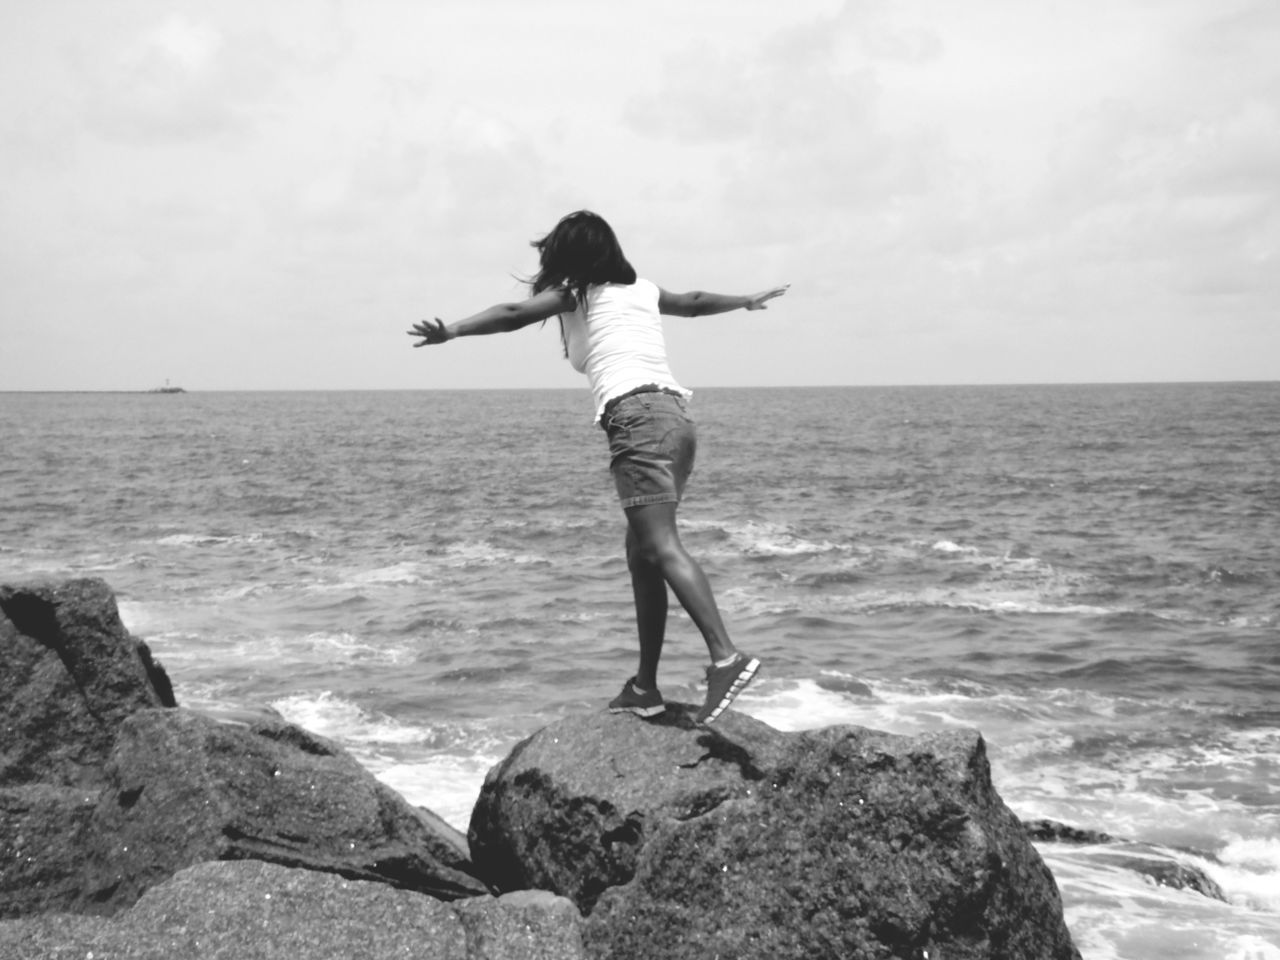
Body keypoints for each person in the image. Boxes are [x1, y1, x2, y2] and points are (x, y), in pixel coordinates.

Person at [409, 210, 787, 724]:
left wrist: (452, 331)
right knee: (641, 553)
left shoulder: (576, 292)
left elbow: (513, 312)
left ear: (568, 257)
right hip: (676, 422)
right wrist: (743, 300)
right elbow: (694, 304)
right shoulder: (643, 291)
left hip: (636, 418)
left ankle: (726, 657)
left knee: (660, 546)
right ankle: (645, 687)